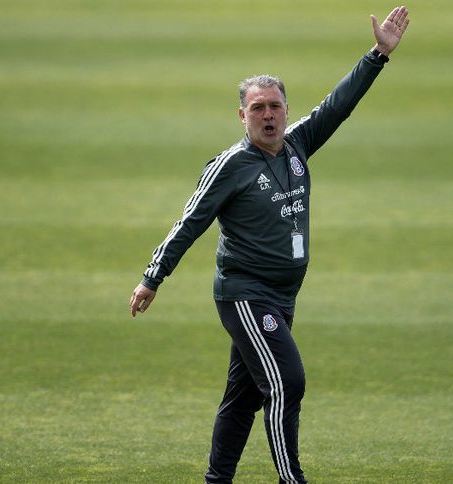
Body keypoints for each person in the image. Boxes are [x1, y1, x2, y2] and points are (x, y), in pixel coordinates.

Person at [129, 6, 409, 483]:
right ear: (242, 116)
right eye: (257, 108)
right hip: (245, 293)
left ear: (286, 110)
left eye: (275, 106)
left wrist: (377, 55)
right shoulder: (230, 166)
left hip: (282, 295)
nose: (268, 115)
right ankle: (291, 478)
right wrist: (153, 277)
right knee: (287, 383)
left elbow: (337, 106)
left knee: (242, 397)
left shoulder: (297, 145)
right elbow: (190, 222)